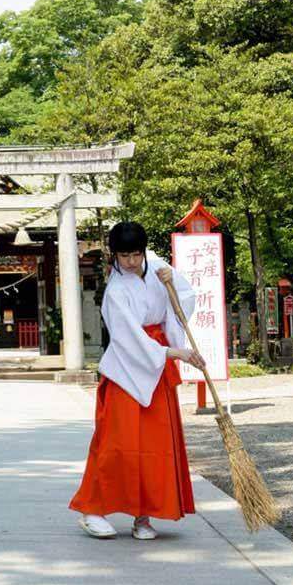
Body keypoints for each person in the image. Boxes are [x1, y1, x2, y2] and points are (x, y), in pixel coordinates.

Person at [69, 221, 204, 540]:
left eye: (136, 254)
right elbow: (126, 336)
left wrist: (174, 287)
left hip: (157, 368)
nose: (131, 261)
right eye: (124, 255)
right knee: (117, 445)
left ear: (144, 252)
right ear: (113, 255)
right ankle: (92, 509)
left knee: (157, 446)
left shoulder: (158, 268)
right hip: (128, 371)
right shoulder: (115, 290)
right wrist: (172, 352)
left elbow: (182, 301)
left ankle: (144, 516)